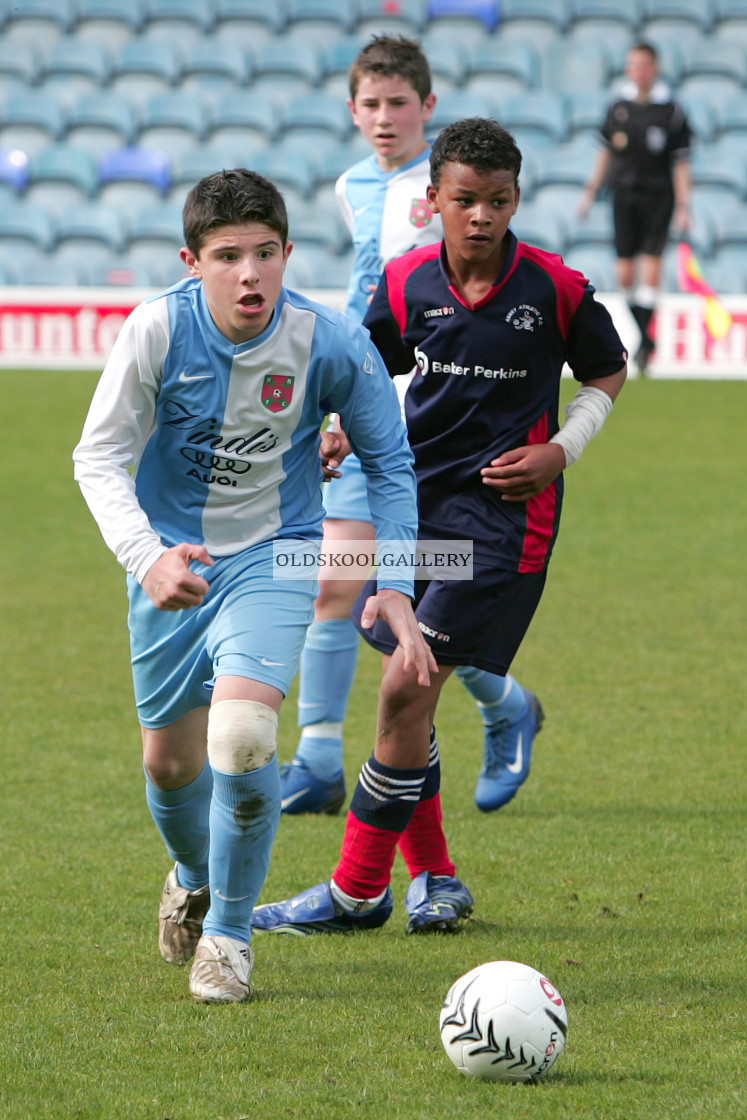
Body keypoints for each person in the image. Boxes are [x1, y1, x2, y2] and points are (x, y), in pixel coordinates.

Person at [251, 118, 627, 938]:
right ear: (435, 201)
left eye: (497, 201)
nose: (481, 216)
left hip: (501, 526)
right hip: (413, 511)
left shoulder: (556, 289)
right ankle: (434, 876)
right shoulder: (406, 280)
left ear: (515, 199)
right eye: (464, 200)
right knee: (408, 703)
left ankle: (355, 891)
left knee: (401, 688)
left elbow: (606, 369)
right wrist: (342, 423)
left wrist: (560, 450)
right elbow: (366, 363)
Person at [72, 168, 435, 1004]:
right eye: (227, 256)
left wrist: (395, 584)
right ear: (190, 262)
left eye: (265, 254)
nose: (249, 274)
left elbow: (389, 460)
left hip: (280, 554)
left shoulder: (331, 339)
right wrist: (146, 557)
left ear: (287, 253)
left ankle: (229, 937)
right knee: (168, 767)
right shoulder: (155, 330)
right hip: (174, 567)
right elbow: (98, 456)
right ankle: (195, 875)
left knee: (239, 738)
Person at [283, 34, 543, 821]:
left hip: (436, 430)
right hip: (368, 408)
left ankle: (503, 701)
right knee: (339, 587)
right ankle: (318, 759)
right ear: (352, 110)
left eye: (400, 103)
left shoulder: (451, 190)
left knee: (421, 597)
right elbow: (371, 305)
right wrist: (334, 406)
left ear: (427, 109)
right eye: (371, 103)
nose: (385, 117)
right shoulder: (351, 185)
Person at [577, 40, 692, 374]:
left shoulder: (672, 110)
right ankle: (646, 338)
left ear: (654, 68)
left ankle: (644, 343)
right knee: (624, 273)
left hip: (659, 197)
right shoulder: (617, 107)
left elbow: (681, 164)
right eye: (632, 65)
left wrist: (684, 205)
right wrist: (589, 191)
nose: (638, 71)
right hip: (623, 196)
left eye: (643, 65)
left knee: (651, 269)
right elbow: (604, 153)